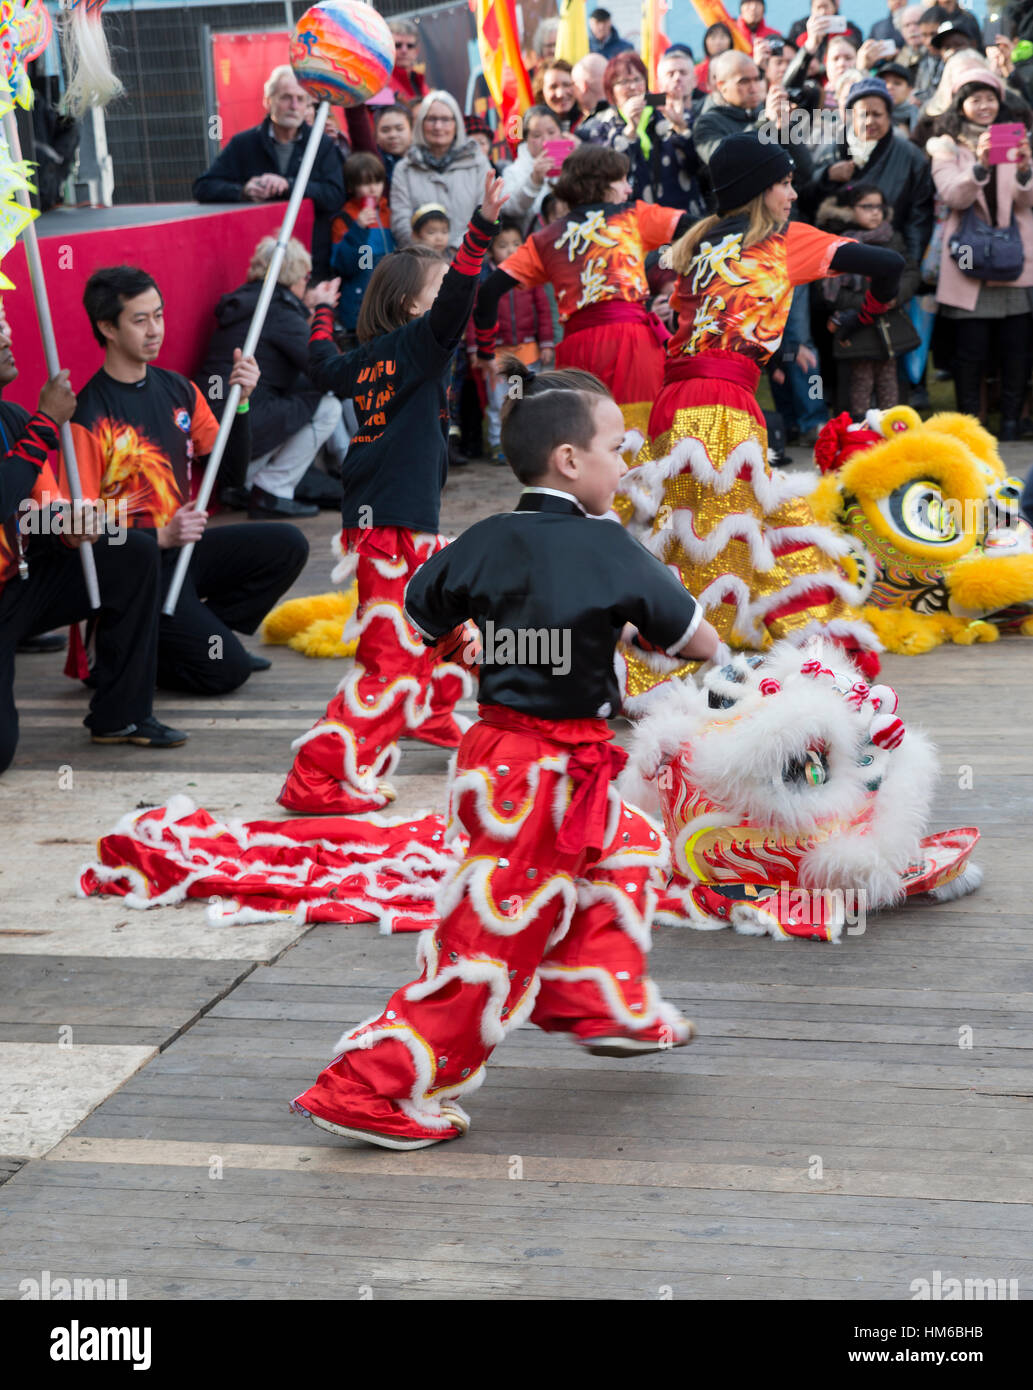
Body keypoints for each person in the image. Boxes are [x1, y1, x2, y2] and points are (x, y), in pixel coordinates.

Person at [290, 362, 720, 1151]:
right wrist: (613, 631)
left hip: (494, 752)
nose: (625, 465)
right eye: (616, 447)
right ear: (569, 460)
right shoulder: (606, 546)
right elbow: (699, 639)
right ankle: (369, 1085)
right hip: (551, 770)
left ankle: (595, 994)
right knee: (494, 930)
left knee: (628, 845)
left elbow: (422, 617)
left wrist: (510, 642)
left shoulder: (484, 536)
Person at [614, 135, 901, 701]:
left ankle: (816, 656)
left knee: (778, 529)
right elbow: (888, 263)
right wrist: (865, 313)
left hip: (686, 399)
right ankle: (642, 685)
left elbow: (659, 289)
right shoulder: (782, 242)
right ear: (757, 191)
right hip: (719, 406)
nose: (794, 194)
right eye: (785, 183)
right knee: (710, 553)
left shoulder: (694, 241)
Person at [277, 174, 507, 816]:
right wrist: (481, 228)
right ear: (415, 308)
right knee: (390, 661)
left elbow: (322, 363)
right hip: (396, 528)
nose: (450, 313)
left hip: (395, 524)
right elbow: (462, 293)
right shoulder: (422, 345)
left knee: (452, 628)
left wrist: (322, 307)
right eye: (437, 299)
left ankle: (433, 715)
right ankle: (317, 775)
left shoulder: (374, 355)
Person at [63, 266, 308, 696]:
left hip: (184, 557)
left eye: (159, 315)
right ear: (108, 328)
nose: (155, 329)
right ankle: (132, 646)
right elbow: (78, 531)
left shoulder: (179, 390)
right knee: (228, 673)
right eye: (140, 320)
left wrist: (244, 404)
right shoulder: (88, 415)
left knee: (288, 545)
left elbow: (232, 476)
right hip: (133, 572)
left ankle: (198, 636)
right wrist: (157, 536)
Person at [0, 309, 186, 768]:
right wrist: (45, 423)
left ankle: (120, 716)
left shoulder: (10, 417)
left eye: (5, 318)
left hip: (15, 585)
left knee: (129, 548)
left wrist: (64, 527)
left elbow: (34, 514)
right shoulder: (32, 423)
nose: (6, 331)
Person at [473, 145, 693, 436]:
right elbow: (700, 232)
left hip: (578, 350)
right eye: (623, 180)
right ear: (601, 183)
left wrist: (487, 351)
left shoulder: (546, 237)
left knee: (586, 438)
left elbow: (489, 291)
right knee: (638, 440)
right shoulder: (633, 216)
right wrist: (682, 297)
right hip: (632, 343)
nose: (628, 189)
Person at [196, 237, 341, 519]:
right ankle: (273, 490)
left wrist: (305, 307)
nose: (306, 284)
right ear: (292, 277)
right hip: (235, 432)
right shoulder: (279, 313)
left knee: (302, 390)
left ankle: (250, 483)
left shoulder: (250, 302)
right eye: (305, 278)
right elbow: (329, 368)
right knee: (329, 403)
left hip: (213, 429)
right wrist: (324, 310)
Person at [926, 65, 1033, 437]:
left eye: (990, 98)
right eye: (976, 99)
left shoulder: (1014, 140)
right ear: (962, 104)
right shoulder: (946, 146)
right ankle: (971, 425)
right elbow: (952, 195)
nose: (984, 105)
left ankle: (1011, 423)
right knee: (970, 353)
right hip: (967, 261)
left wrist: (1024, 169)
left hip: (1013, 258)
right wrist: (981, 166)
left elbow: (1027, 200)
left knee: (1016, 350)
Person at [192, 65, 345, 280]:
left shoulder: (321, 145)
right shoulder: (244, 144)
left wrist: (288, 185)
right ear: (268, 101)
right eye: (286, 98)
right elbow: (203, 187)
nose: (294, 106)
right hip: (256, 262)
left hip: (310, 262)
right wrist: (243, 191)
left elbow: (335, 196)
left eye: (301, 99)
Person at [816, 185, 921, 414]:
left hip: (888, 327)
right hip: (853, 328)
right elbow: (827, 288)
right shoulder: (836, 241)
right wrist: (870, 303)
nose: (875, 212)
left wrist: (891, 297)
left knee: (889, 384)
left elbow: (910, 274)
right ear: (849, 209)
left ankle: (892, 435)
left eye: (879, 207)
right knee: (857, 387)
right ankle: (856, 436)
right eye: (867, 207)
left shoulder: (892, 238)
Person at [815, 77, 935, 262]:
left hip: (888, 256)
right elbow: (807, 200)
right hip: (834, 259)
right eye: (863, 114)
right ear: (850, 116)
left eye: (877, 114)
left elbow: (919, 218)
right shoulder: (830, 149)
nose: (870, 121)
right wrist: (826, 177)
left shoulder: (911, 156)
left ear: (889, 116)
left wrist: (909, 264)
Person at [466, 219, 555, 463]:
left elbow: (544, 311)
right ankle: (497, 443)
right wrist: (475, 349)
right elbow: (475, 316)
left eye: (517, 244)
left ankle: (527, 443)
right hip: (497, 353)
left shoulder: (531, 278)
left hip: (527, 350)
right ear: (492, 250)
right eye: (503, 245)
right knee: (499, 401)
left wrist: (546, 343)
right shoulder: (483, 281)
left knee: (526, 399)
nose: (511, 250)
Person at [578, 50, 708, 216]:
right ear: (611, 90)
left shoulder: (666, 111)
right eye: (624, 81)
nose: (632, 87)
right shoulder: (598, 127)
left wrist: (681, 127)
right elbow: (604, 178)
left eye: (637, 80)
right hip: (630, 222)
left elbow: (698, 167)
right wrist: (630, 132)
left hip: (682, 216)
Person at [693, 50, 814, 192]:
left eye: (757, 79)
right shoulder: (707, 124)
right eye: (744, 82)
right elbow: (727, 163)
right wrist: (765, 123)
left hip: (782, 208)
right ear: (721, 86)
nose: (754, 88)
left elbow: (805, 171)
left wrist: (785, 127)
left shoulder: (766, 113)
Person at [390, 91, 491, 253]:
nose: (438, 126)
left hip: (470, 260)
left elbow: (485, 213)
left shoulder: (478, 163)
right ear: (421, 123)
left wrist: (456, 250)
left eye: (445, 119)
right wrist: (428, 254)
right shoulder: (405, 169)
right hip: (422, 263)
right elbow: (401, 222)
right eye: (431, 119)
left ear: (456, 123)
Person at [331, 152, 395, 337]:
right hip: (360, 304)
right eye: (366, 184)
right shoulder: (345, 219)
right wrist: (358, 229)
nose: (373, 189)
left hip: (388, 302)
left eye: (377, 182)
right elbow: (345, 265)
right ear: (352, 187)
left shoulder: (388, 214)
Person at [499, 104, 563, 234]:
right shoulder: (513, 171)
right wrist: (534, 181)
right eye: (536, 135)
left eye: (551, 132)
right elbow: (508, 208)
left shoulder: (574, 162)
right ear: (526, 139)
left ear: (561, 132)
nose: (545, 140)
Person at [786, 0, 863, 56]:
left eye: (826, 6)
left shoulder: (850, 30)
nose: (822, 12)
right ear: (812, 9)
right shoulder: (799, 28)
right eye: (818, 7)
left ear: (835, 7)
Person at [536, 58, 583, 133]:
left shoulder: (591, 124)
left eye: (566, 85)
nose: (560, 94)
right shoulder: (533, 127)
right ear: (542, 93)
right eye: (553, 87)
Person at [373, 104, 413, 191]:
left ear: (412, 131)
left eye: (399, 129)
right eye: (385, 130)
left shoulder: (424, 161)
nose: (393, 135)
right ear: (376, 136)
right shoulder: (374, 164)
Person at [388, 19, 428, 105]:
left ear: (416, 51)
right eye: (398, 45)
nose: (404, 50)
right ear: (388, 46)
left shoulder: (420, 81)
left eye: (410, 46)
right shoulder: (381, 84)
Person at [695, 22, 735, 98]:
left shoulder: (738, 68)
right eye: (713, 38)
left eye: (722, 37)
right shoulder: (697, 72)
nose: (718, 42)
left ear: (730, 41)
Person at [571, 52, 608, 119]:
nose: (571, 89)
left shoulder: (588, 126)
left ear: (582, 86)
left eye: (573, 83)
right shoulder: (624, 112)